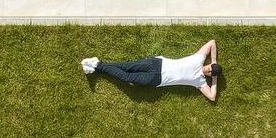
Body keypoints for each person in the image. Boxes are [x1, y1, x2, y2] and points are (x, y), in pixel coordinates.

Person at [82, 39, 221, 101]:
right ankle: (98, 66)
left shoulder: (200, 82)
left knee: (127, 77)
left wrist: (214, 80)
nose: (207, 69)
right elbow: (212, 43)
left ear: (210, 75)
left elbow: (212, 97)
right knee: (126, 66)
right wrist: (214, 60)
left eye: (210, 72)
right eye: (209, 67)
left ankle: (98, 66)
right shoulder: (198, 59)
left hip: (156, 79)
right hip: (157, 64)